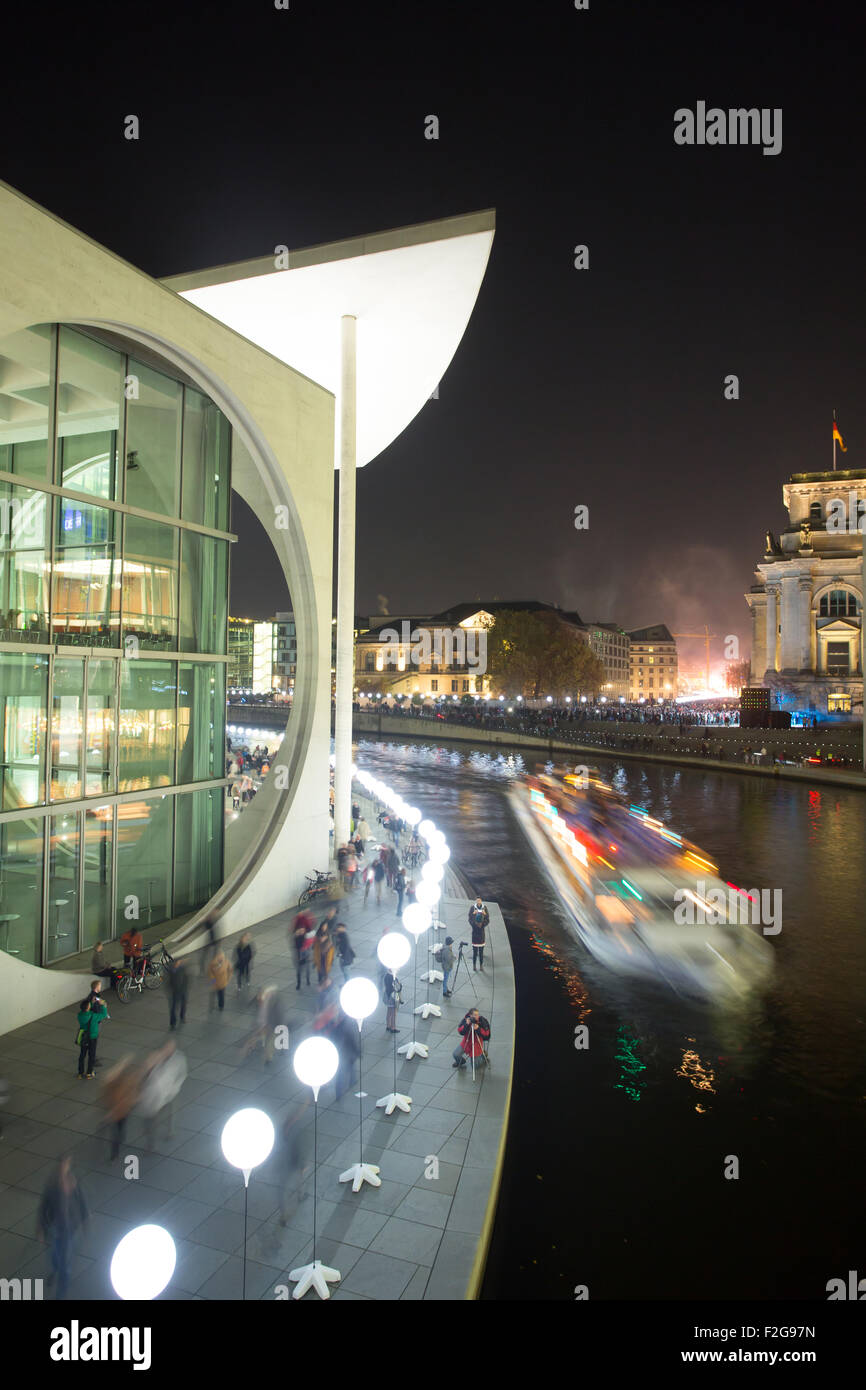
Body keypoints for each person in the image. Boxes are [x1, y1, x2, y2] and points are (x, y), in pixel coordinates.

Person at [37, 1156, 88, 1300]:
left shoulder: (75, 1186)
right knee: (54, 1255)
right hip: (54, 1228)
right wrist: (41, 1228)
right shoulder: (53, 1188)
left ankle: (61, 1294)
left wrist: (85, 1221)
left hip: (69, 1231)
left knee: (65, 1265)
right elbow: (43, 1208)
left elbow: (83, 1203)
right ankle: (56, 1269)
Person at [136, 1041, 188, 1144]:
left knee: (170, 1113)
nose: (167, 1051)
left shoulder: (179, 1059)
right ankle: (151, 1138)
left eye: (169, 1048)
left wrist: (174, 1088)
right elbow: (147, 1075)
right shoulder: (157, 1058)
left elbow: (182, 1074)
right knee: (152, 1116)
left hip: (170, 1093)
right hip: (155, 1095)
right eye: (166, 1048)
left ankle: (170, 1131)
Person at [276, 1105, 313, 1226]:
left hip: (286, 1165)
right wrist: (302, 1163)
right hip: (290, 1164)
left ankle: (284, 1214)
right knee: (289, 1186)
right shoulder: (294, 1132)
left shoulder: (283, 1132)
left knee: (286, 1188)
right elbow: (298, 1149)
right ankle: (297, 1199)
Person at [101, 1057, 142, 1160]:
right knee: (118, 1129)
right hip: (119, 1110)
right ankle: (117, 1146)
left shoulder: (128, 1081)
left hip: (120, 1111)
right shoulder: (124, 1081)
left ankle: (115, 1151)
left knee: (117, 1130)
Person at [76, 994, 108, 1079]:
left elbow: (87, 1010)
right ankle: (89, 1073)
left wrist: (91, 1003)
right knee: (91, 1055)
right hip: (92, 1037)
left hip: (83, 1037)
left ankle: (80, 1073)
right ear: (88, 1008)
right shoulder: (93, 1016)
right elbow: (104, 1015)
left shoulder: (80, 1015)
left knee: (82, 1055)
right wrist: (103, 1006)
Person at [166, 955, 189, 1029]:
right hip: (175, 991)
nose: (177, 964)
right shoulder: (171, 970)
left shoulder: (182, 968)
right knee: (173, 1007)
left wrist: (185, 987)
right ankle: (173, 1023)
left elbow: (186, 978)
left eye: (179, 963)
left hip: (183, 990)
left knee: (183, 1004)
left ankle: (182, 1017)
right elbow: (168, 981)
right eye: (177, 963)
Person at [468, 898, 489, 971]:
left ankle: (474, 966)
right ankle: (481, 966)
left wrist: (473, 914)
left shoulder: (473, 924)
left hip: (474, 939)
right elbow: (487, 920)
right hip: (481, 940)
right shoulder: (483, 924)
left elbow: (470, 920)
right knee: (481, 954)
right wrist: (485, 914)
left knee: (474, 953)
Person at [383, 968, 401, 1033]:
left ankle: (388, 1025)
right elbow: (398, 988)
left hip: (387, 996)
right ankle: (393, 1027)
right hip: (392, 997)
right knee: (394, 1013)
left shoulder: (386, 976)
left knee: (389, 1011)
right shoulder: (393, 978)